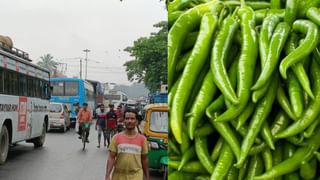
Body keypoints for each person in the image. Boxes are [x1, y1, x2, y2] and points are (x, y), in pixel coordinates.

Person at [105, 109, 150, 180]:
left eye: (132, 119)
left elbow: (144, 159)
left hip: (136, 175)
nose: (129, 121)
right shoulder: (116, 138)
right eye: (127, 118)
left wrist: (147, 177)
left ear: (136, 121)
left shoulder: (142, 139)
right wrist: (107, 175)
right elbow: (111, 157)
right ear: (124, 121)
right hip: (118, 175)